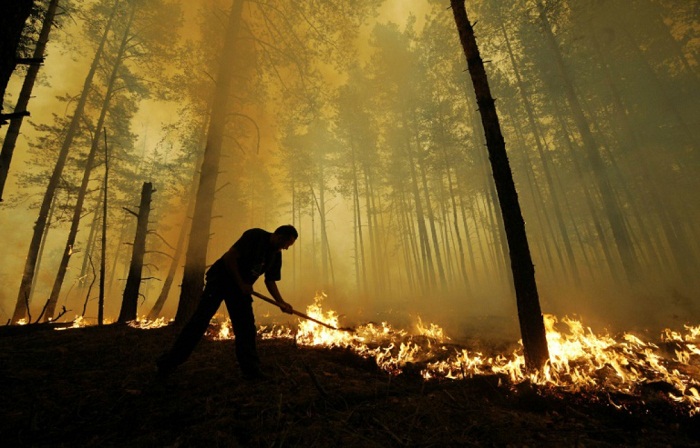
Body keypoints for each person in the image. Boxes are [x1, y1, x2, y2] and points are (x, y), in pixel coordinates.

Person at [157, 225, 298, 380]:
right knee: (199, 323)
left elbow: (270, 281)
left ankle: (251, 370)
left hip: (240, 290)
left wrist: (281, 303)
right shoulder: (255, 236)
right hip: (220, 281)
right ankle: (168, 363)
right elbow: (229, 257)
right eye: (286, 244)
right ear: (279, 235)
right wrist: (241, 283)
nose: (285, 248)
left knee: (246, 328)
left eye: (288, 246)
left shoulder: (275, 255)